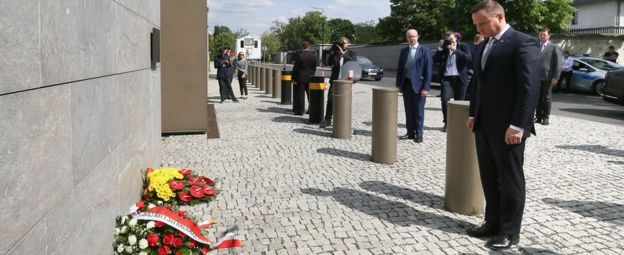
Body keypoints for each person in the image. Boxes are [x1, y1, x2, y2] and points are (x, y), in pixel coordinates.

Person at [466, 0, 540, 250]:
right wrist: (473, 113)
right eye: (476, 25)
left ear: (499, 17)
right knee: (489, 176)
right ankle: (492, 222)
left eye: (483, 23)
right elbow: (479, 82)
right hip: (484, 124)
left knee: (510, 180)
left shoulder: (523, 42)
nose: (480, 29)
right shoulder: (485, 45)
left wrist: (519, 125)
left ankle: (509, 232)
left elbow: (530, 89)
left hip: (509, 127)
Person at [395, 29, 432, 143]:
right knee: (409, 110)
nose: (412, 38)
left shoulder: (424, 50)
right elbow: (400, 69)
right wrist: (398, 85)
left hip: (419, 86)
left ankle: (419, 133)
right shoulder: (404, 51)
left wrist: (426, 87)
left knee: (419, 111)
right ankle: (410, 132)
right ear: (406, 38)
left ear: (418, 37)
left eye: (414, 36)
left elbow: (428, 70)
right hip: (406, 84)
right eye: (410, 36)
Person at [433, 31, 472, 132]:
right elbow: (435, 60)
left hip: (460, 78)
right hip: (447, 78)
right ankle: (447, 122)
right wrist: (440, 48)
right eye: (448, 39)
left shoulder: (463, 46)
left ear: (456, 38)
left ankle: (459, 123)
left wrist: (455, 50)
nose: (450, 41)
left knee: (460, 103)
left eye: (451, 39)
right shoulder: (444, 49)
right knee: (445, 99)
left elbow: (469, 59)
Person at [320, 37, 356, 128]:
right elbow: (328, 63)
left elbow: (353, 62)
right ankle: (328, 120)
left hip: (345, 82)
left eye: (347, 43)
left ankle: (342, 121)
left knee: (344, 102)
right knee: (330, 100)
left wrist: (344, 55)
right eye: (346, 43)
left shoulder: (351, 53)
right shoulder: (335, 53)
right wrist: (327, 52)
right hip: (335, 80)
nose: (348, 44)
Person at [534, 28, 563, 126]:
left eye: (544, 35)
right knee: (537, 98)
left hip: (548, 77)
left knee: (546, 98)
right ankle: (538, 116)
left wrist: (556, 77)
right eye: (540, 34)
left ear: (549, 36)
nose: (542, 36)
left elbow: (558, 63)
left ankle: (545, 117)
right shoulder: (535, 46)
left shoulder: (554, 47)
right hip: (536, 77)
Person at [291, 41, 318, 115]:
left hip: (301, 78)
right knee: (310, 95)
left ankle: (300, 111)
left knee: (300, 95)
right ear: (309, 47)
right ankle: (311, 109)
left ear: (302, 47)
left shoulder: (300, 56)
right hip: (310, 77)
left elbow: (296, 68)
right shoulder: (313, 56)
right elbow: (314, 68)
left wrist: (293, 77)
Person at [466, 33, 485, 101]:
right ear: (480, 40)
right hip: (476, 72)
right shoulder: (482, 48)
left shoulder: (469, 48)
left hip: (469, 71)